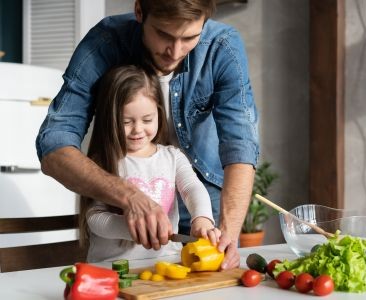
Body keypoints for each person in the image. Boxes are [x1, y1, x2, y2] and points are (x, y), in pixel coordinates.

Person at [36, 0, 259, 269]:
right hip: (120, 215)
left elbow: (240, 146)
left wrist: (227, 234)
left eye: (190, 37)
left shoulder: (222, 47)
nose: (175, 52)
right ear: (139, 11)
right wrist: (130, 197)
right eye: (164, 34)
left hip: (203, 212)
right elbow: (53, 143)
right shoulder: (105, 43)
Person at [80, 65, 220, 262]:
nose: (138, 129)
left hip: (166, 260)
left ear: (159, 114)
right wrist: (133, 228)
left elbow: (192, 188)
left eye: (147, 120)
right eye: (126, 122)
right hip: (112, 266)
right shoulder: (102, 162)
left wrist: (202, 218)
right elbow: (95, 218)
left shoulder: (172, 157)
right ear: (109, 120)